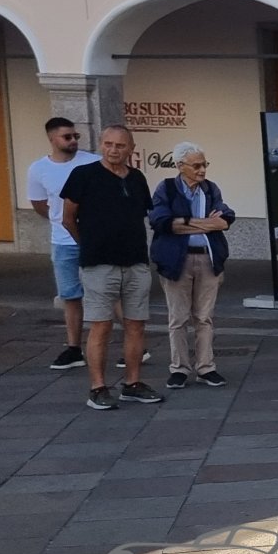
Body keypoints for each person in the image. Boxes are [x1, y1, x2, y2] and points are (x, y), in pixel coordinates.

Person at [60, 125, 162, 410]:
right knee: (101, 325)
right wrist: (88, 244)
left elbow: (139, 215)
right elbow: (68, 218)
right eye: (108, 144)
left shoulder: (137, 178)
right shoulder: (84, 175)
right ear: (101, 144)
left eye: (120, 145)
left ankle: (132, 383)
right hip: (98, 264)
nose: (113, 150)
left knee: (136, 324)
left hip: (135, 262)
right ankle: (98, 388)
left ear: (131, 149)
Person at [149, 142, 234, 389]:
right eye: (196, 166)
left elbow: (226, 218)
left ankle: (206, 367)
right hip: (177, 260)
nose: (202, 170)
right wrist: (206, 223)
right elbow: (162, 222)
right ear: (180, 166)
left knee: (204, 317)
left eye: (204, 164)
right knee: (178, 318)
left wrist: (186, 223)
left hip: (208, 258)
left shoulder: (210, 188)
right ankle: (179, 368)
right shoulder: (166, 188)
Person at [28, 118, 100, 370]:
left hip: (94, 238)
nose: (73, 141)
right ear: (52, 139)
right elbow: (39, 203)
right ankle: (73, 349)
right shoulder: (38, 169)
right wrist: (59, 219)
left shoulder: (93, 162)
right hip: (62, 241)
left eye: (75, 136)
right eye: (67, 137)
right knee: (70, 295)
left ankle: (135, 346)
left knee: (108, 291)